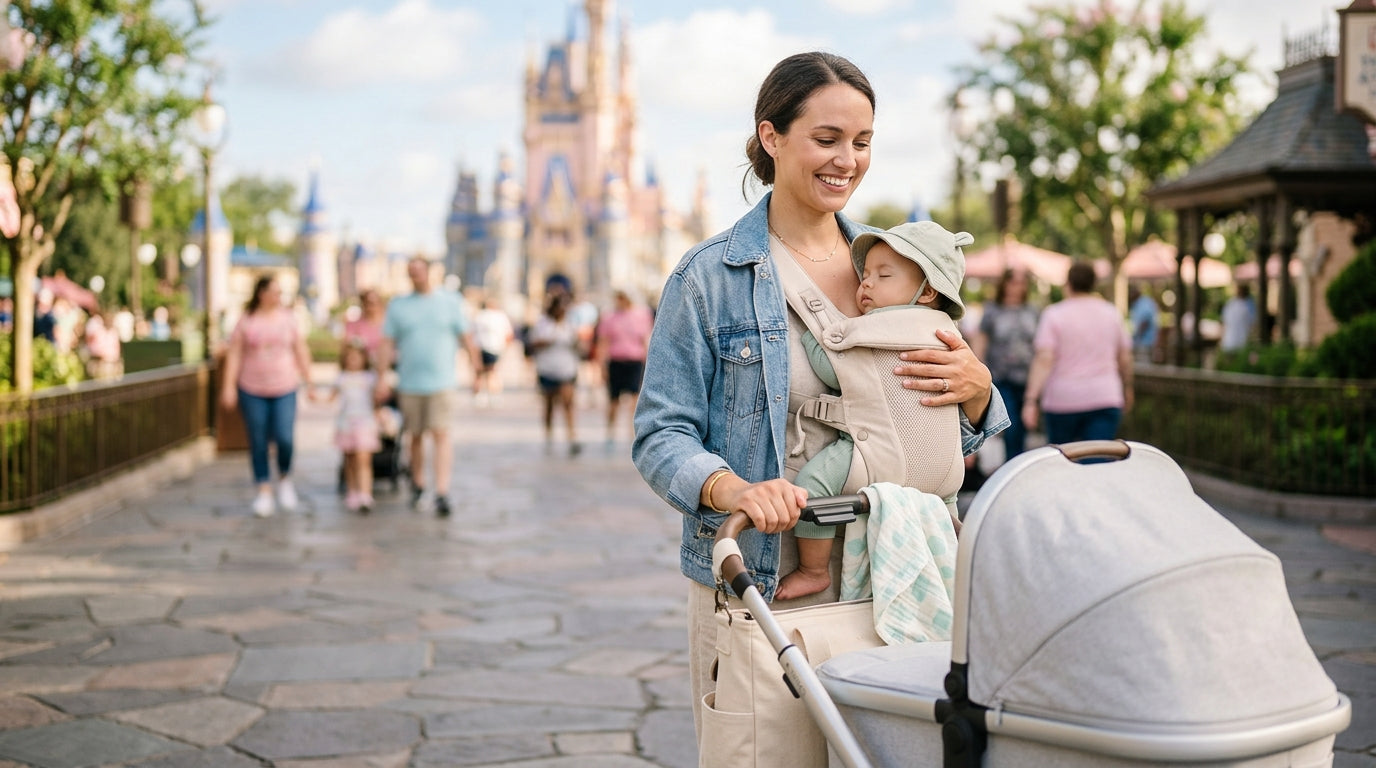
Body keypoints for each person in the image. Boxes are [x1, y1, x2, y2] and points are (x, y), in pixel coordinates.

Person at [630, 51, 1008, 735]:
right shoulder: (707, 278)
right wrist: (733, 490)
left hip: (903, 575)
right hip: (770, 580)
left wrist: (980, 396)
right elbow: (661, 434)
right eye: (827, 139)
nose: (848, 160)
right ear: (771, 137)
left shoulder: (903, 267)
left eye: (862, 142)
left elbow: (938, 427)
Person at [778, 220, 972, 600]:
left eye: (883, 275)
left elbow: (831, 370)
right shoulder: (948, 333)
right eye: (865, 275)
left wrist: (811, 337)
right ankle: (954, 566)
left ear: (927, 290)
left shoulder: (868, 330)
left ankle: (812, 570)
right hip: (946, 470)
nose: (866, 284)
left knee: (813, 489)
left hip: (873, 456)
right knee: (947, 520)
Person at [375, 257, 479, 518]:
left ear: (431, 273)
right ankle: (419, 484)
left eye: (420, 271)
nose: (417, 276)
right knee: (415, 436)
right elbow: (386, 343)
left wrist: (476, 371)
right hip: (410, 383)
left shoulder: (450, 302)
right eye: (412, 273)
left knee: (441, 434)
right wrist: (381, 377)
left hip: (442, 382)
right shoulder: (399, 306)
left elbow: (466, 337)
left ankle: (442, 490)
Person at [220, 276, 313, 517]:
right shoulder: (246, 320)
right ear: (261, 293)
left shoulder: (288, 319)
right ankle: (263, 488)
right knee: (258, 438)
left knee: (285, 437)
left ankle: (284, 478)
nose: (278, 297)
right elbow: (235, 354)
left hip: (284, 386)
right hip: (252, 388)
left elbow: (300, 349)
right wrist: (228, 386)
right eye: (274, 292)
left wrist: (309, 379)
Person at [1022, 261, 1133, 445]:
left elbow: (1044, 359)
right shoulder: (1112, 313)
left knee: (1064, 462)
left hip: (1063, 400)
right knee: (1098, 460)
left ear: (1068, 284)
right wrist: (1127, 387)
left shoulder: (1054, 314)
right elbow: (1125, 357)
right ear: (1093, 284)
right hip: (1105, 396)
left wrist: (1031, 399)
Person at [972, 269, 1040, 459]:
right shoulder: (993, 310)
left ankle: (1018, 461)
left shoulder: (1032, 310)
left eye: (1021, 282)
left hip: (1027, 378)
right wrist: (979, 368)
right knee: (1011, 425)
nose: (1016, 287)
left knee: (1025, 425)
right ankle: (1013, 461)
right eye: (1013, 282)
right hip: (1001, 376)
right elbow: (981, 340)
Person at [320, 340, 382, 513]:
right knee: (350, 460)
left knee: (363, 459)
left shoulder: (370, 378)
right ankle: (353, 490)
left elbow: (378, 398)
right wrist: (316, 398)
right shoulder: (342, 379)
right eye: (350, 357)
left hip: (365, 422)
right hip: (346, 423)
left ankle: (365, 493)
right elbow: (330, 398)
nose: (353, 361)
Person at [593, 289, 653, 447]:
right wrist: (601, 366)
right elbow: (603, 342)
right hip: (616, 361)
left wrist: (649, 364)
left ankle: (632, 432)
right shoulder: (609, 317)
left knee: (635, 398)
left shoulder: (641, 315)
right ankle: (610, 432)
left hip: (634, 361)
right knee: (613, 400)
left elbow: (645, 340)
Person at [529, 291, 584, 456]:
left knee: (568, 404)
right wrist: (547, 341)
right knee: (549, 405)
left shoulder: (570, 324)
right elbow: (533, 343)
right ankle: (548, 435)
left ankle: (572, 437)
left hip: (567, 370)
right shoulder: (543, 323)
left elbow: (579, 347)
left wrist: (577, 342)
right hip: (547, 369)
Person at [470, 294, 514, 407]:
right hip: (494, 347)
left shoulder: (479, 316)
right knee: (492, 373)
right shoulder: (499, 316)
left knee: (481, 373)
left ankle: (480, 396)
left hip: (483, 347)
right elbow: (508, 334)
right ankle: (492, 396)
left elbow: (471, 333)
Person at [343, 288, 387, 358]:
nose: (372, 306)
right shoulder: (353, 326)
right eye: (368, 303)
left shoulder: (390, 325)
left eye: (376, 302)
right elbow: (347, 350)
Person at [1220, 282, 1256, 353]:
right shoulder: (1231, 304)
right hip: (1232, 340)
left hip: (1238, 340)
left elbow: (1253, 323)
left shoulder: (1248, 304)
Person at [1128, 283, 1159, 362]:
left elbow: (1145, 321)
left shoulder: (1144, 303)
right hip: (1142, 342)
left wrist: (1136, 335)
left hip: (1145, 342)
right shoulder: (1138, 304)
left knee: (1143, 365)